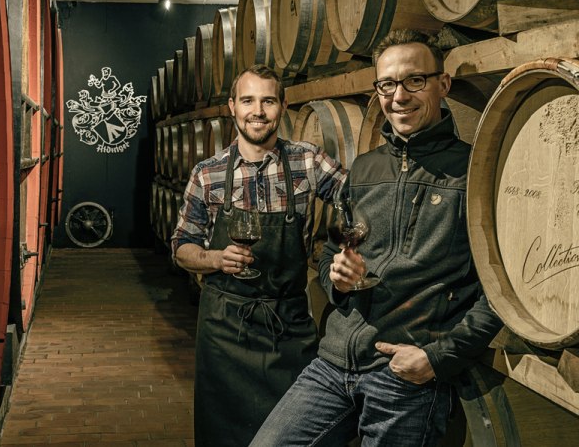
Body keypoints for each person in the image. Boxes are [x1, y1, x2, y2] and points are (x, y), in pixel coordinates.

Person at [249, 30, 504, 447]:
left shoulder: (473, 173)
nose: (399, 96)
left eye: (414, 81)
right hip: (333, 364)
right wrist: (338, 277)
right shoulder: (364, 169)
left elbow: (500, 290)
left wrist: (437, 358)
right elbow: (336, 249)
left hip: (404, 375)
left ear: (443, 84)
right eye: (387, 84)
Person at [171, 64, 347, 447]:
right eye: (248, 100)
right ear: (232, 107)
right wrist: (215, 259)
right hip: (224, 327)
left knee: (298, 432)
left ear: (283, 106)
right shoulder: (208, 173)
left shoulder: (308, 161)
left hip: (288, 323)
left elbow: (358, 198)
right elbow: (182, 246)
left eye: (268, 100)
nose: (258, 111)